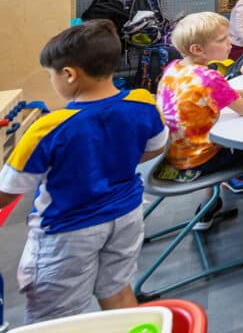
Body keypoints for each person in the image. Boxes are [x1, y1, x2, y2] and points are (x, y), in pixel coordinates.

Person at [0, 20, 167, 323]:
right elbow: (156, 146)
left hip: (68, 229)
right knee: (117, 290)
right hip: (127, 215)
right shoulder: (143, 103)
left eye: (50, 75)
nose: (52, 82)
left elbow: (6, 192)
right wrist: (119, 157)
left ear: (69, 74)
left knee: (58, 317)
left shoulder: (48, 128)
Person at [157, 12, 243, 226]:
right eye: (222, 40)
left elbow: (215, 93)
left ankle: (209, 206)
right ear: (197, 49)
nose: (230, 43)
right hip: (201, 161)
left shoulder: (174, 68)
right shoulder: (210, 77)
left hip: (172, 154)